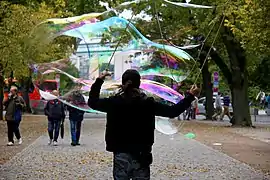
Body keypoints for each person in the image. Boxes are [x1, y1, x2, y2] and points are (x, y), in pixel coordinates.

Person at [88, 69, 199, 180]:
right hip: (142, 153)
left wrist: (99, 80)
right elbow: (173, 111)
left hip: (120, 152)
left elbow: (92, 102)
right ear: (139, 84)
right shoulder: (148, 103)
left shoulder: (113, 102)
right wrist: (190, 96)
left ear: (123, 82)